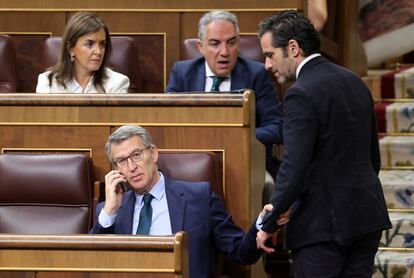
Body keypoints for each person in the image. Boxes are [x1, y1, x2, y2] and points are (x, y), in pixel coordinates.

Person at [255, 10, 392, 278]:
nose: (267, 65)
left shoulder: (300, 94)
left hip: (323, 228)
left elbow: (294, 168)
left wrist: (269, 223)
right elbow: (372, 159)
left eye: (270, 55)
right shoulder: (355, 81)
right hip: (366, 216)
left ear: (293, 48)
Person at [90, 125, 287, 278]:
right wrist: (109, 212)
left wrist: (262, 223)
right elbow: (90, 264)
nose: (131, 167)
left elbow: (239, 253)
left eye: (136, 155)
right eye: (122, 161)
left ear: (153, 153)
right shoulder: (110, 211)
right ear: (116, 169)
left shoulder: (199, 197)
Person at [166, 10, 283, 181]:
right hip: (191, 162)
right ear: (201, 47)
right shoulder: (182, 73)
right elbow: (167, 124)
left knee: (265, 183)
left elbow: (277, 126)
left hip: (245, 162)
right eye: (215, 43)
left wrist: (234, 137)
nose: (224, 52)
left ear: (239, 43)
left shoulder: (256, 74)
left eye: (231, 42)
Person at [36, 12, 129, 94]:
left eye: (102, 44)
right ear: (70, 49)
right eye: (89, 44)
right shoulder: (48, 83)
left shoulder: (117, 83)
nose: (98, 51)